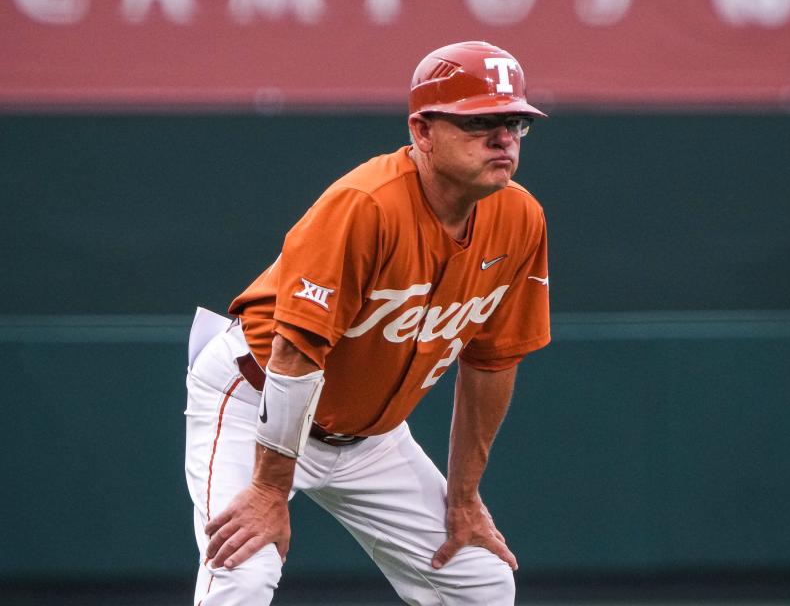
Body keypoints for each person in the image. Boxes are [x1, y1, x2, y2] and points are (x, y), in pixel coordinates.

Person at [183, 41, 551, 605]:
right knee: (244, 573)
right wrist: (268, 487)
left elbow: (493, 360)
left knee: (478, 580)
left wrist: (463, 498)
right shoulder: (367, 204)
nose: (503, 139)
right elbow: (295, 354)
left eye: (515, 123)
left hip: (372, 438)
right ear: (422, 131)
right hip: (255, 403)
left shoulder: (520, 217)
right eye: (481, 122)